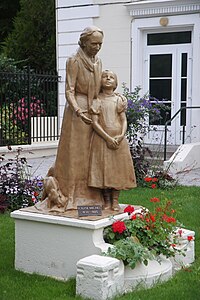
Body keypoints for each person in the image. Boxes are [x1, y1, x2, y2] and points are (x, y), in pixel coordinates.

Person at [42, 26, 104, 211]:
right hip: (77, 112)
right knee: (75, 153)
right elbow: (69, 90)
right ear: (84, 42)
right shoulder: (74, 61)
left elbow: (100, 87)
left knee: (90, 153)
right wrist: (78, 110)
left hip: (93, 108)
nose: (97, 47)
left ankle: (91, 195)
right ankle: (72, 194)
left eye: (100, 43)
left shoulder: (98, 61)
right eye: (94, 43)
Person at [88, 70, 137, 211]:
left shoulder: (119, 100)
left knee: (117, 171)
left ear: (116, 83)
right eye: (105, 77)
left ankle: (115, 200)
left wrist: (121, 136)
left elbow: (123, 120)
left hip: (118, 141)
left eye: (111, 77)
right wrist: (107, 138)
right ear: (100, 81)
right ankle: (107, 201)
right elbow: (94, 123)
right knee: (104, 170)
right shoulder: (97, 100)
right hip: (101, 140)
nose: (108, 79)